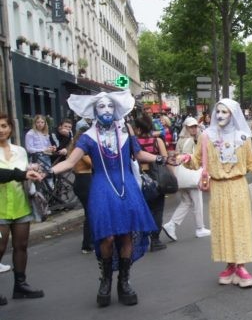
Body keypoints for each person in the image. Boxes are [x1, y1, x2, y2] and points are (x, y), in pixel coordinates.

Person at [48, 91, 166, 307]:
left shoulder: (126, 130)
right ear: (95, 111)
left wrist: (162, 158)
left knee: (127, 235)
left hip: (126, 185)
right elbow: (69, 162)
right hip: (102, 187)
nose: (107, 110)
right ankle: (105, 279)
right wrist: (47, 171)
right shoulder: (88, 136)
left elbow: (139, 155)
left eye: (110, 107)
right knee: (107, 237)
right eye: (102, 107)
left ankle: (124, 281)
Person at [179, 98, 252, 287]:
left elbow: (251, 163)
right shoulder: (206, 136)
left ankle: (241, 265)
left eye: (224, 112)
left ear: (233, 114)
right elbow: (196, 161)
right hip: (217, 187)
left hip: (238, 186)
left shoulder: (243, 137)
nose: (220, 115)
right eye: (217, 111)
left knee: (239, 225)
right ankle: (229, 264)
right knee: (222, 225)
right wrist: (184, 158)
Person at [0, 114, 46, 307]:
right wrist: (22, 174)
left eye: (4, 125)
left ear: (10, 128)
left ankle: (20, 285)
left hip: (20, 205)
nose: (1, 129)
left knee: (21, 246)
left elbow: (24, 174)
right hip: (1, 208)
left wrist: (34, 174)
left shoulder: (20, 151)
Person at [163, 117, 210, 241]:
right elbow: (197, 157)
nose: (194, 128)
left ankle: (171, 224)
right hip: (192, 174)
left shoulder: (180, 139)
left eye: (195, 126)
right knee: (197, 202)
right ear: (186, 127)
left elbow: (177, 155)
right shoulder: (195, 139)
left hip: (181, 175)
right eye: (191, 126)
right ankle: (200, 228)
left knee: (186, 202)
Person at [134, 115, 169, 252]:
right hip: (155, 177)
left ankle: (142, 238)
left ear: (137, 128)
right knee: (157, 209)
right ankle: (155, 240)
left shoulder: (134, 142)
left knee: (143, 209)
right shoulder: (157, 141)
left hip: (138, 177)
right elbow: (164, 159)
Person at [71, 124, 95, 253]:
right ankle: (88, 243)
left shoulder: (74, 147)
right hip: (84, 180)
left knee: (90, 212)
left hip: (80, 180)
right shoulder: (82, 150)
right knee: (90, 213)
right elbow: (92, 163)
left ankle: (90, 241)